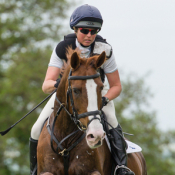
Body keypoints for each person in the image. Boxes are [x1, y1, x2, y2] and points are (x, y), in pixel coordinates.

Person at [29, 4, 134, 175]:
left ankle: (121, 167)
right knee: (35, 128)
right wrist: (61, 86)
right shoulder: (62, 47)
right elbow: (46, 84)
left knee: (113, 122)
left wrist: (104, 99)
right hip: (69, 90)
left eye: (94, 31)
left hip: (96, 90)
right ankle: (34, 170)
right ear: (75, 29)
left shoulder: (105, 50)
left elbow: (116, 86)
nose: (89, 35)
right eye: (85, 30)